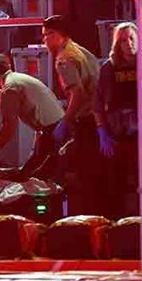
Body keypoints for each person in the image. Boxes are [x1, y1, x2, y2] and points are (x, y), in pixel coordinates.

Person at [94, 22, 142, 218]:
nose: (128, 44)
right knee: (117, 182)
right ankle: (119, 221)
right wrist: (101, 130)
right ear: (117, 45)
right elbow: (97, 103)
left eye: (131, 38)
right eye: (123, 41)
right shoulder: (108, 69)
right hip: (117, 131)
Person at [42, 15, 101, 212]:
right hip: (99, 118)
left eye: (49, 34)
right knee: (96, 172)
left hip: (86, 120)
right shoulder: (81, 51)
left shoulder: (64, 59)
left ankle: (85, 216)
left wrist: (66, 121)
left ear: (60, 35)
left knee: (84, 173)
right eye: (44, 35)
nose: (45, 40)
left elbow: (78, 93)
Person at [0, 54, 65, 176]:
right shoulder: (18, 78)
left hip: (53, 131)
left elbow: (8, 128)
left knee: (37, 176)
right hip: (57, 127)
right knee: (31, 171)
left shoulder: (10, 88)